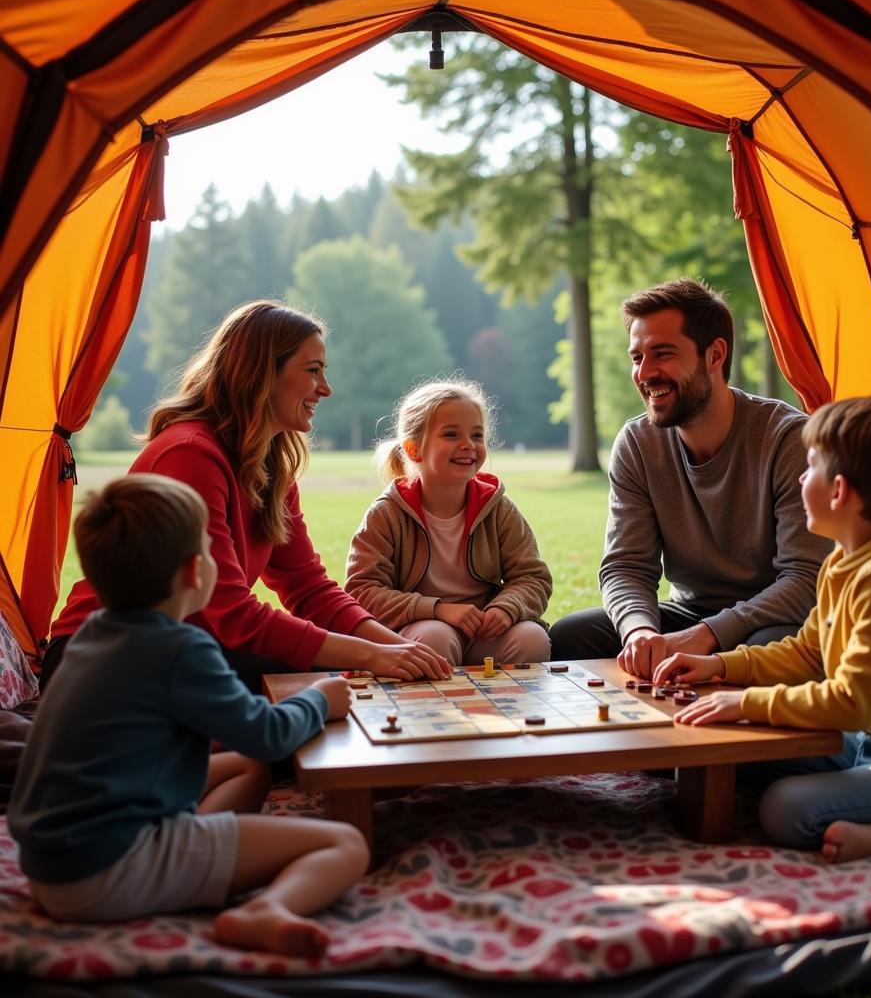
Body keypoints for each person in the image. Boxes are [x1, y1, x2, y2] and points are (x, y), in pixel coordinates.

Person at [9, 474, 369, 954]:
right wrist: (321, 697)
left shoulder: (95, 632)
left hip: (50, 864)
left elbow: (250, 753)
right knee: (345, 845)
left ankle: (198, 855)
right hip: (107, 870)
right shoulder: (182, 649)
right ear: (193, 573)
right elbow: (267, 734)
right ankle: (263, 910)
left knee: (244, 765)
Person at [656, 395, 871, 863]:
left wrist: (745, 701)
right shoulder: (845, 561)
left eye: (811, 467)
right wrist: (719, 665)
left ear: (839, 491)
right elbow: (807, 655)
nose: (801, 477)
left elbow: (850, 701)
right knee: (714, 754)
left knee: (786, 809)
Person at [43, 301, 450, 693]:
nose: (325, 388)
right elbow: (232, 615)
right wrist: (370, 656)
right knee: (318, 691)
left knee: (333, 687)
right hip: (108, 657)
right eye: (313, 371)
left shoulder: (269, 462)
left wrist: (395, 648)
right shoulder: (189, 454)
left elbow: (308, 587)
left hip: (192, 650)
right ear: (261, 374)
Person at [549, 278, 831, 669]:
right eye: (636, 357)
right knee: (569, 635)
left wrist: (709, 635)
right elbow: (626, 566)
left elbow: (806, 579)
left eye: (662, 354)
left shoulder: (788, 439)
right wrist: (639, 632)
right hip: (689, 616)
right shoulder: (637, 443)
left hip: (773, 619)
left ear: (714, 356)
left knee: (769, 648)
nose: (645, 373)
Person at [345, 379, 552, 666]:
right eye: (451, 435)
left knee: (531, 638)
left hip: (485, 631)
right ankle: (439, 712)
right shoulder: (387, 513)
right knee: (436, 638)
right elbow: (362, 590)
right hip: (421, 629)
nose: (468, 445)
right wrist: (438, 609)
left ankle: (507, 711)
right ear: (414, 449)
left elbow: (532, 577)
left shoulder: (499, 509)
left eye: (477, 436)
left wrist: (506, 609)